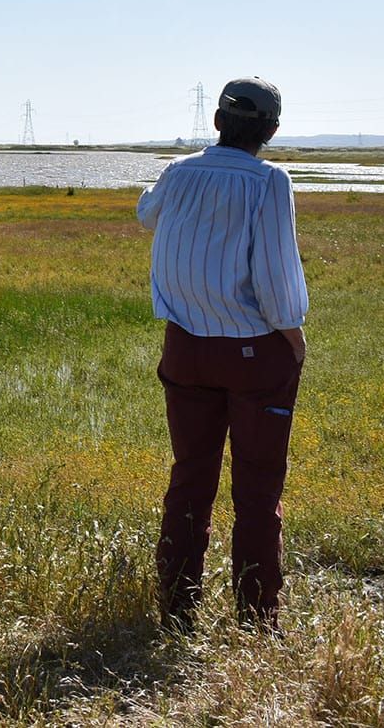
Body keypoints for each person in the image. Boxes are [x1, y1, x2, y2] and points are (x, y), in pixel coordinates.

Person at [136, 76, 308, 628]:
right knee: (258, 486)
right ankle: (258, 620)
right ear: (272, 131)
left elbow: (146, 213)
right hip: (254, 354)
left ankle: (177, 606)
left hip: (185, 349)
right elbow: (277, 282)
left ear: (216, 122)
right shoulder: (269, 182)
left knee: (190, 475)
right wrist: (294, 340)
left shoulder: (179, 171)